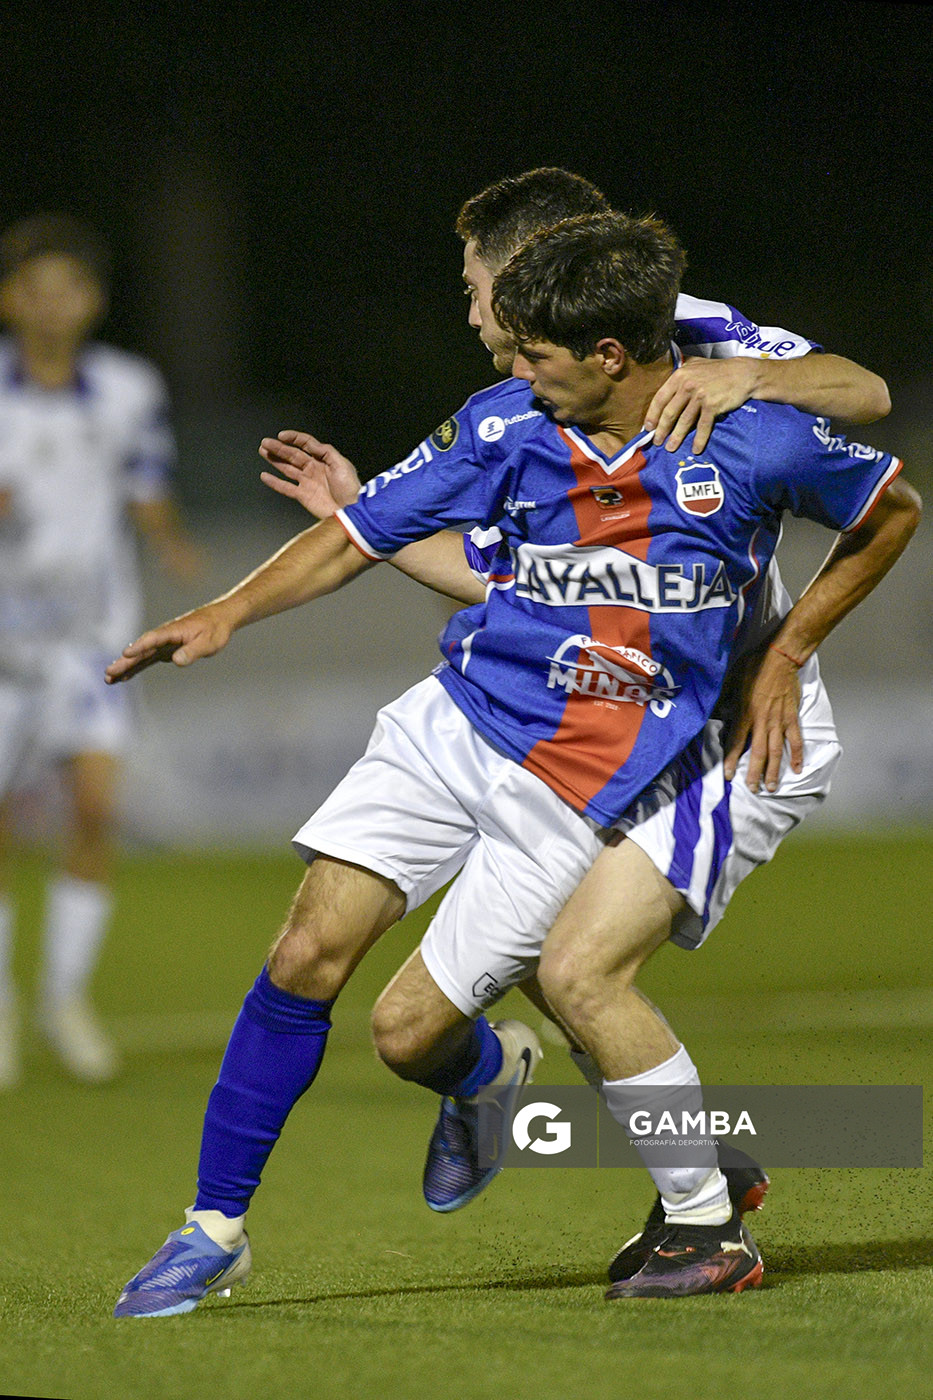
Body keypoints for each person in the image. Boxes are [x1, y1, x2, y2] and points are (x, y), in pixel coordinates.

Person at [108, 206, 918, 1314]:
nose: (500, 349)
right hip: (459, 715)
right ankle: (212, 1228)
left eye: (520, 335)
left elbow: (881, 475)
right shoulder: (507, 422)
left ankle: (626, 1151)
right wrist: (226, 611)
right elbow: (373, 537)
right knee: (307, 948)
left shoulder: (742, 417)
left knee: (447, 1020)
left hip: (593, 767)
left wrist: (786, 647)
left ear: (608, 351)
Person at [0, 214, 200, 1086]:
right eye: (35, 289)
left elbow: (146, 480)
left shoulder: (126, 386)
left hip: (89, 638)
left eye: (68, 289)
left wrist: (171, 542)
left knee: (91, 808)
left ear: (92, 301)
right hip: (3, 644)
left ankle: (64, 998)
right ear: (10, 299)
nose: (52, 306)